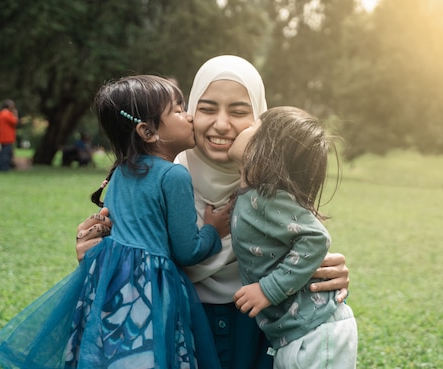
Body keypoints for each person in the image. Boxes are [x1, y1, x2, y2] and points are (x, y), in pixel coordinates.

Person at [75, 55, 350, 369]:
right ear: (190, 112)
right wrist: (92, 248)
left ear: (260, 117)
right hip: (177, 323)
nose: (221, 124)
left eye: (239, 111)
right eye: (206, 109)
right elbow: (121, 251)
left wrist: (328, 273)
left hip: (262, 331)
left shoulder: (278, 188)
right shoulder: (157, 181)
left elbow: (308, 245)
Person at [0, 75, 230, 369]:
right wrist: (213, 230)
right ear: (147, 131)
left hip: (109, 277)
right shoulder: (173, 175)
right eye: (178, 110)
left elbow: (108, 225)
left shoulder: (121, 171)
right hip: (151, 284)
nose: (189, 117)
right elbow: (187, 251)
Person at [229, 106, 358, 369]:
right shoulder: (250, 196)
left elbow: (316, 238)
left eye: (253, 126)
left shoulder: (265, 197)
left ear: (262, 150)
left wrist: (268, 289)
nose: (244, 128)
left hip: (315, 331)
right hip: (296, 334)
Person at [0, 99, 18, 172]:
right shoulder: (8, 114)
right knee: (6, 153)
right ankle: (4, 168)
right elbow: (15, 122)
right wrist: (15, 114)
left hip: (1, 136)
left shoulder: (0, 113)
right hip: (8, 137)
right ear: (9, 106)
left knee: (1, 153)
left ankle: (0, 167)